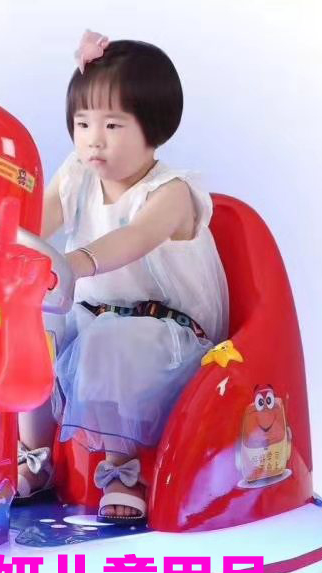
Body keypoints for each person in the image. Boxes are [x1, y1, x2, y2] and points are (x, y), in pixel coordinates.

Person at [17, 31, 229, 523]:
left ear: (153, 127)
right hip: (92, 315)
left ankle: (122, 470)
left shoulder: (171, 193)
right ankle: (35, 455)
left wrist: (76, 262)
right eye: (82, 123)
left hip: (168, 331)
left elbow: (136, 237)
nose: (94, 139)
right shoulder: (77, 174)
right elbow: (36, 221)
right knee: (30, 322)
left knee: (112, 342)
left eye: (112, 124)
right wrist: (3, 242)